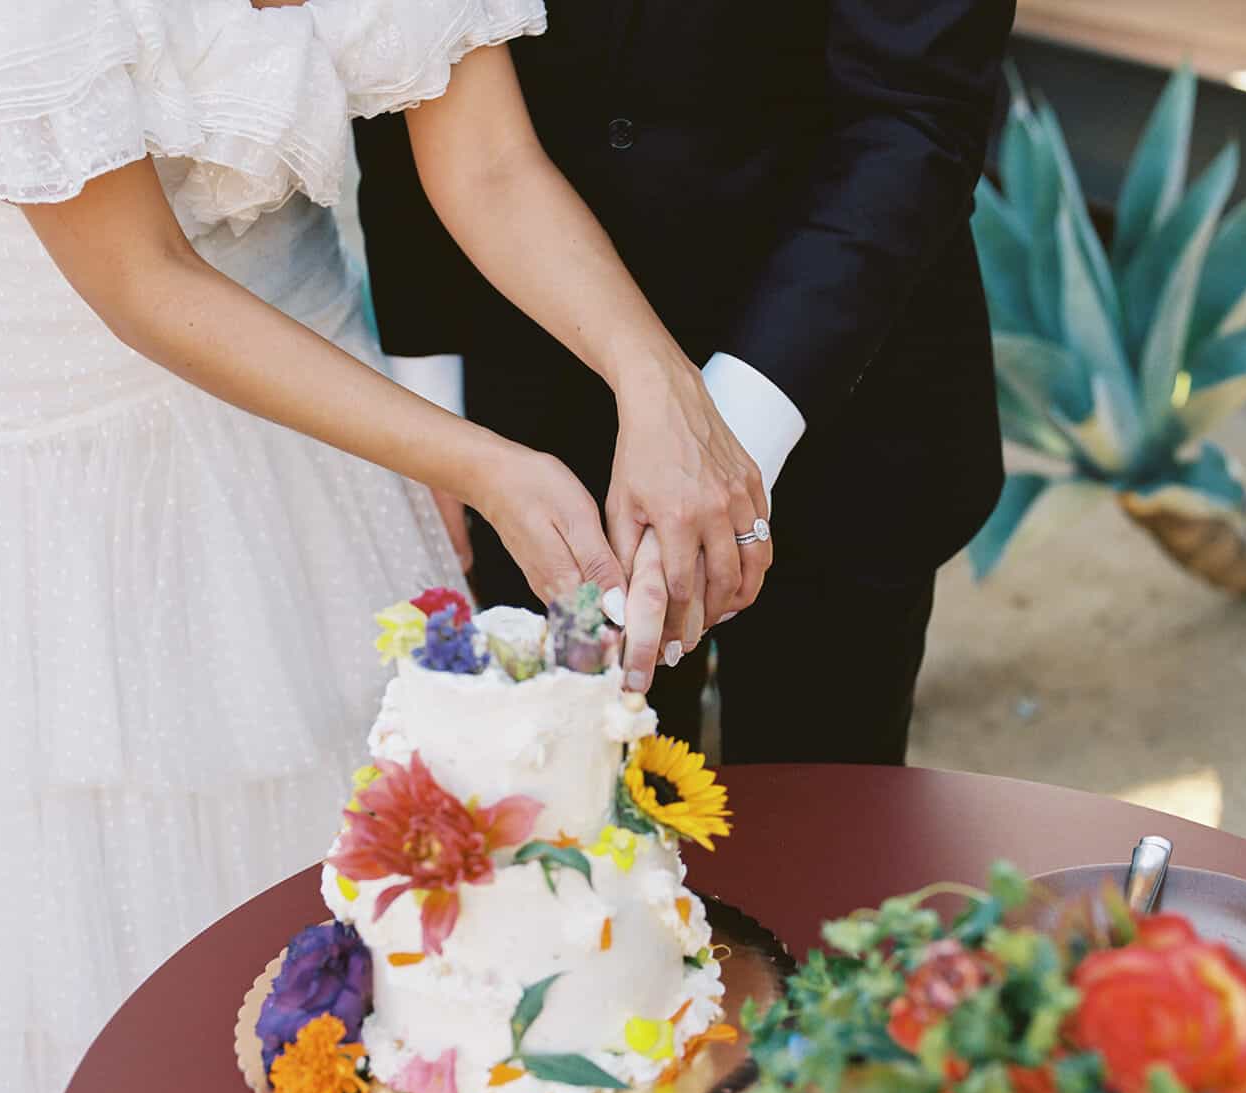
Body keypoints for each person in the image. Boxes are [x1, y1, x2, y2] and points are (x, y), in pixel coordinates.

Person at [0, 1, 763, 1093]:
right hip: (70, 468)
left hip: (316, 419)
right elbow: (143, 277)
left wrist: (658, 386)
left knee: (424, 964)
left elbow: (493, 166)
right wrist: (487, 465)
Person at [353, 0, 1016, 766]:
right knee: (565, 826)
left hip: (844, 396)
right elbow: (391, 49)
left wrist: (725, 431)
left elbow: (915, 109)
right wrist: (433, 392)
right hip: (526, 402)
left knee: (819, 834)